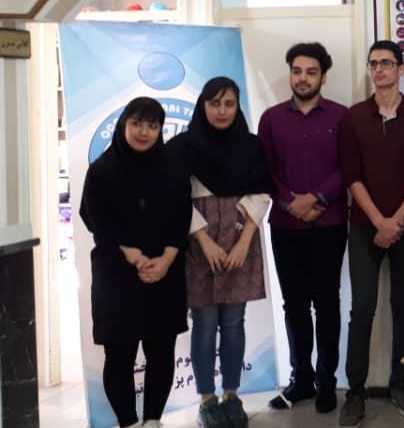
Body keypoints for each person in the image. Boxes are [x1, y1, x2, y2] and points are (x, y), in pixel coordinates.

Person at [79, 97, 191, 428]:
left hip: (165, 273)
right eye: (137, 123)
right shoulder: (102, 170)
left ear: (160, 130)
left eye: (152, 125)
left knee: (161, 350)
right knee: (119, 354)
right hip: (116, 275)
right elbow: (93, 216)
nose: (144, 132)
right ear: (123, 125)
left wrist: (167, 258)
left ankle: (153, 421)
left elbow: (182, 215)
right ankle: (128, 422)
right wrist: (130, 253)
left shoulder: (172, 168)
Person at [169, 77, 274, 428]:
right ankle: (207, 400)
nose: (222, 111)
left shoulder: (251, 146)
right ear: (203, 105)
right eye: (215, 103)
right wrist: (204, 240)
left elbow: (262, 191)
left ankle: (231, 396)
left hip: (241, 236)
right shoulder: (182, 147)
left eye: (229, 103)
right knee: (204, 324)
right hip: (200, 242)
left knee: (233, 322)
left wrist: (244, 243)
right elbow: (175, 197)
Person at [338, 41, 404, 425]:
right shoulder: (354, 117)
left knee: (403, 306)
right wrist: (379, 221)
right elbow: (351, 176)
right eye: (373, 63)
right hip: (364, 227)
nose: (379, 70)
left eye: (386, 63)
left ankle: (400, 383)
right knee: (362, 308)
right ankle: (355, 391)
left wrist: (396, 221)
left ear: (401, 68)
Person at [257, 42, 348, 413]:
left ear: (323, 77)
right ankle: (301, 380)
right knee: (294, 304)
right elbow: (264, 169)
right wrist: (290, 202)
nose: (303, 78)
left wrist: (316, 198)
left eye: (311, 72)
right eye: (297, 71)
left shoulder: (342, 117)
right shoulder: (271, 119)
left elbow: (348, 167)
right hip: (285, 224)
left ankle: (326, 381)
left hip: (330, 223)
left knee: (327, 303)